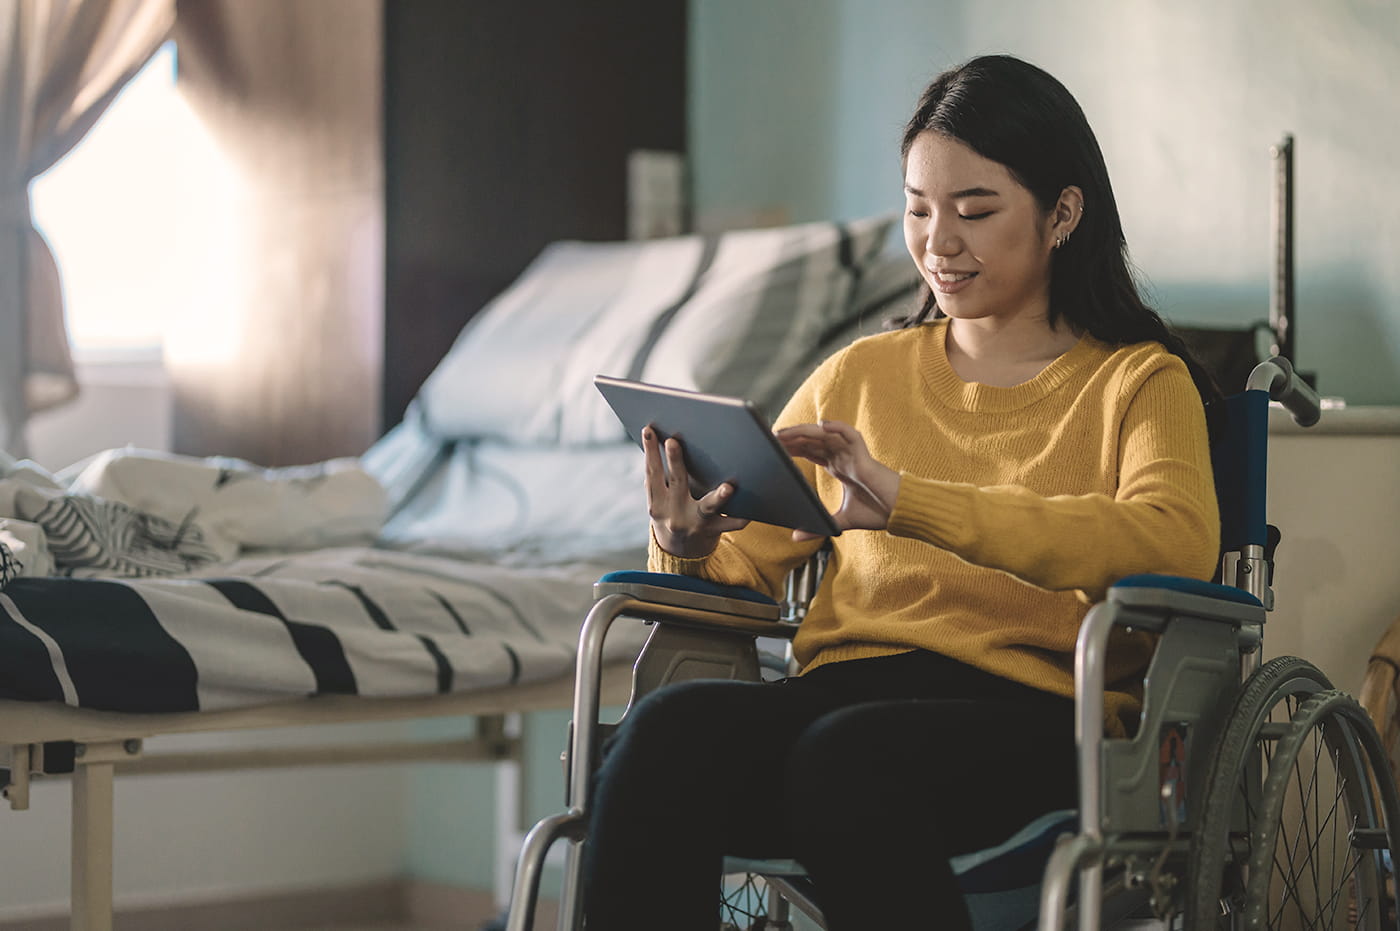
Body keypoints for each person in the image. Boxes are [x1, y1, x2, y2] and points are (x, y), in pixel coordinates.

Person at [582, 54, 1221, 929]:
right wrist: (688, 544)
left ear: (1063, 213)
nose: (937, 243)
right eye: (919, 209)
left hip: (1036, 712)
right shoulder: (863, 372)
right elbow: (746, 574)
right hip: (846, 693)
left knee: (847, 759)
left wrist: (913, 501)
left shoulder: (1139, 384)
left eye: (975, 210)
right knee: (666, 736)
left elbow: (1171, 542)